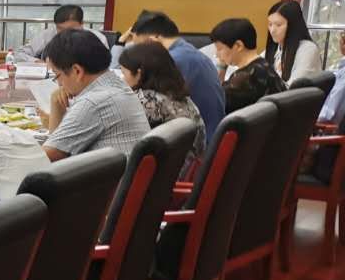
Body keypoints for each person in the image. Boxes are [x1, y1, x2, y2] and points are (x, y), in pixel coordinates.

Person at [41, 28, 151, 161]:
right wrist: (56, 104)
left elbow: (45, 158)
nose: (59, 83)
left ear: (77, 71)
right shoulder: (117, 86)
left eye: (57, 75)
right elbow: (56, 147)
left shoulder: (93, 102)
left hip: (111, 175)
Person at [129, 12, 225, 141]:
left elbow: (149, 104)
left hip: (199, 141)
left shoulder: (173, 60)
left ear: (153, 40)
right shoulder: (188, 51)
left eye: (140, 49)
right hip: (210, 134)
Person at [118, 42, 206, 176]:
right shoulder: (183, 98)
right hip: (184, 174)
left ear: (139, 74)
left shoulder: (144, 100)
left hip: (156, 178)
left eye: (124, 74)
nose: (122, 80)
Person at [210, 17, 287, 113]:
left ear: (238, 46)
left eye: (220, 49)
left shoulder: (244, 78)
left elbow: (214, 104)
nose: (217, 54)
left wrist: (221, 67)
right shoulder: (264, 65)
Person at [265, 0, 323, 82]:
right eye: (270, 24)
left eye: (278, 25)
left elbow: (294, 87)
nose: (272, 30)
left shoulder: (308, 49)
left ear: (292, 26)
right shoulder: (275, 48)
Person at [21, 4, 108, 58]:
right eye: (60, 28)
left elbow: (104, 66)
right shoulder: (48, 34)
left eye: (70, 29)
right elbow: (21, 54)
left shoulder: (98, 38)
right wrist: (37, 62)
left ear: (81, 24)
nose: (65, 33)